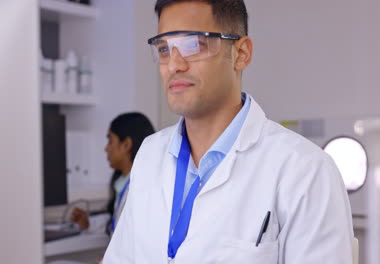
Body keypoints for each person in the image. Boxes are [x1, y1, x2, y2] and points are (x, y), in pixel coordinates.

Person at [103, 1, 354, 263]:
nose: (174, 64)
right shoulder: (150, 154)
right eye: (164, 49)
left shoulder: (306, 171)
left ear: (241, 53)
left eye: (193, 45)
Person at [71, 112, 155, 234]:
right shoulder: (124, 184)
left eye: (110, 141)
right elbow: (117, 222)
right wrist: (89, 222)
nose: (106, 148)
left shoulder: (146, 189)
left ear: (126, 144)